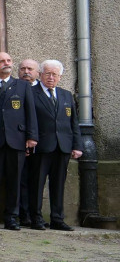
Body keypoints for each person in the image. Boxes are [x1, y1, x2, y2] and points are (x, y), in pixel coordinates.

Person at [0, 52, 38, 230]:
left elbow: (30, 113)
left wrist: (32, 137)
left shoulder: (22, 86)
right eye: (2, 61)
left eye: (9, 60)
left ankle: (12, 218)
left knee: (15, 181)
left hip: (16, 140)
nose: (6, 63)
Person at [27, 60, 82, 230]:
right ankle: (36, 218)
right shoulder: (30, 93)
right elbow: (28, 119)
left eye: (55, 74)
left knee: (58, 184)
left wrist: (77, 145)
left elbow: (73, 123)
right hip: (41, 146)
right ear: (40, 74)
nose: (51, 77)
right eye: (48, 73)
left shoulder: (66, 95)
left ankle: (57, 219)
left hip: (62, 147)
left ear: (60, 77)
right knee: (37, 184)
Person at [16, 58, 40, 225]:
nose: (26, 71)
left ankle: (37, 216)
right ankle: (24, 215)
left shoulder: (43, 90)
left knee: (37, 182)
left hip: (43, 146)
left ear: (38, 72)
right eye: (23, 68)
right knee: (21, 181)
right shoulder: (14, 88)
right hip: (20, 143)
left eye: (30, 69)